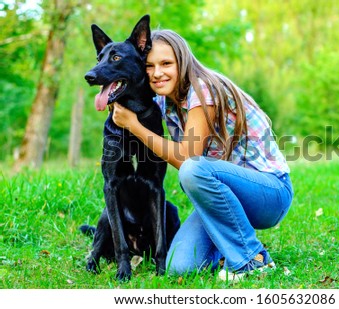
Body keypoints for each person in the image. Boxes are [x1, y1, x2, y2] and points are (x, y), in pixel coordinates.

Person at [111, 29, 293, 281]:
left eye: (166, 63)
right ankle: (230, 252)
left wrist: (133, 125)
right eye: (149, 66)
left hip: (269, 193)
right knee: (180, 266)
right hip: (227, 199)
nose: (157, 73)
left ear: (182, 61)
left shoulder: (202, 89)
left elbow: (187, 157)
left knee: (192, 169)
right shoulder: (167, 100)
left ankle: (253, 259)